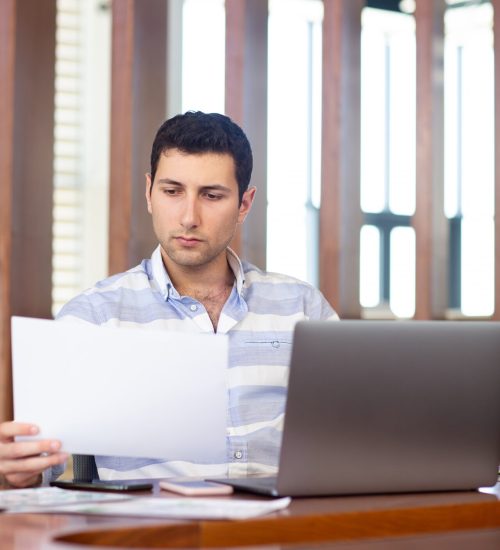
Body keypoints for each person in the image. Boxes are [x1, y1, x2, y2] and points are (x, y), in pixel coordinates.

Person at [0, 111, 337, 488]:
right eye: (172, 191)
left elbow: (352, 432)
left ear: (244, 204)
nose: (189, 217)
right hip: (149, 539)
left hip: (283, 533)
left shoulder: (303, 308)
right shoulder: (93, 317)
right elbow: (36, 472)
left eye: (211, 195)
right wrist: (19, 470)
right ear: (149, 193)